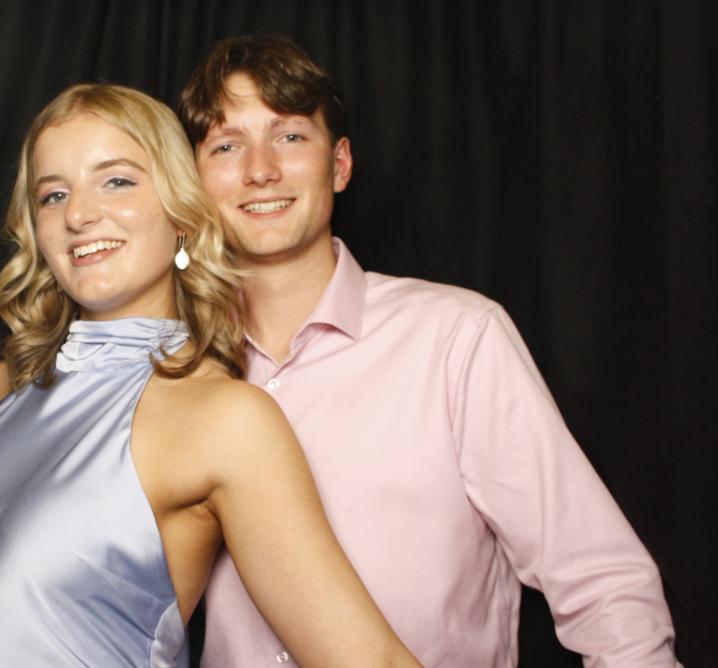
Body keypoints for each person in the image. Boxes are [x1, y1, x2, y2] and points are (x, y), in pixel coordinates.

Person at [179, 34, 681, 666]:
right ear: (193, 179)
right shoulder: (176, 369)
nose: (260, 169)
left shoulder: (457, 340)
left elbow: (602, 584)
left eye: (290, 136)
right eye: (227, 145)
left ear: (340, 164)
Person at [0, 83, 420, 667]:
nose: (78, 215)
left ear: (181, 215)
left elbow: (372, 659)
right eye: (53, 194)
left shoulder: (226, 418)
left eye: (116, 181)